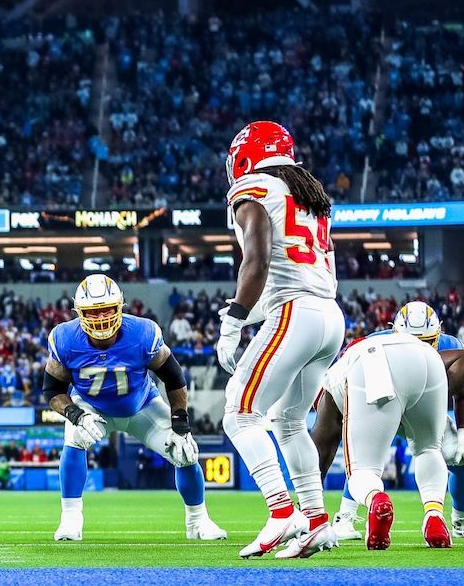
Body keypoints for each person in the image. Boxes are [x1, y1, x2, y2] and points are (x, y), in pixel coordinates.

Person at [215, 121, 344, 560]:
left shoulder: (252, 188)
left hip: (296, 312)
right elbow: (298, 273)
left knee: (238, 411)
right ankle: (315, 520)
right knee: (288, 422)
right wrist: (248, 314)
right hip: (329, 315)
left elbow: (258, 259)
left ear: (246, 155)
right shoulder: (311, 194)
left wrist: (233, 321)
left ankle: (280, 510)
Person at [42, 274, 225, 542]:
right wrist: (76, 415)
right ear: (79, 312)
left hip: (142, 407)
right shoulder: (65, 338)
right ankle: (70, 518)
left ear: (120, 307)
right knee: (74, 436)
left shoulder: (142, 333)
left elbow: (173, 377)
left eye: (106, 309)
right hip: (92, 408)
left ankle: (198, 521)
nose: (100, 318)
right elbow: (52, 391)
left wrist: (180, 422)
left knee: (184, 451)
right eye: (93, 311)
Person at [316, 302, 464, 541]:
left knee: (462, 458)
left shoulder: (451, 346)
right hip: (382, 397)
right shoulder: (373, 343)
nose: (418, 348)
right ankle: (345, 517)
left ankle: (461, 522)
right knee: (365, 456)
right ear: (393, 333)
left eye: (426, 342)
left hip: (422, 402)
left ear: (439, 333)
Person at [314, 328, 455, 549]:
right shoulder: (434, 344)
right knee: (428, 449)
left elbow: (320, 448)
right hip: (430, 359)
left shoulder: (330, 382)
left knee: (363, 470)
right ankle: (434, 514)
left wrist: (309, 506)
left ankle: (375, 500)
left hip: (372, 361)